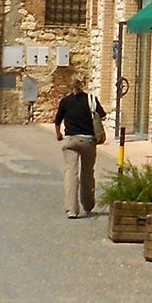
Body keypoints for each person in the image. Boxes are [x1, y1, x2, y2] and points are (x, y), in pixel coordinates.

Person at [54, 78, 106, 218]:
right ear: (83, 85)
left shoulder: (65, 101)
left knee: (71, 172)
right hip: (88, 141)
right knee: (87, 172)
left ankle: (71, 210)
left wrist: (59, 134)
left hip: (70, 140)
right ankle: (88, 204)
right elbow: (102, 116)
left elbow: (57, 121)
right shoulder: (91, 100)